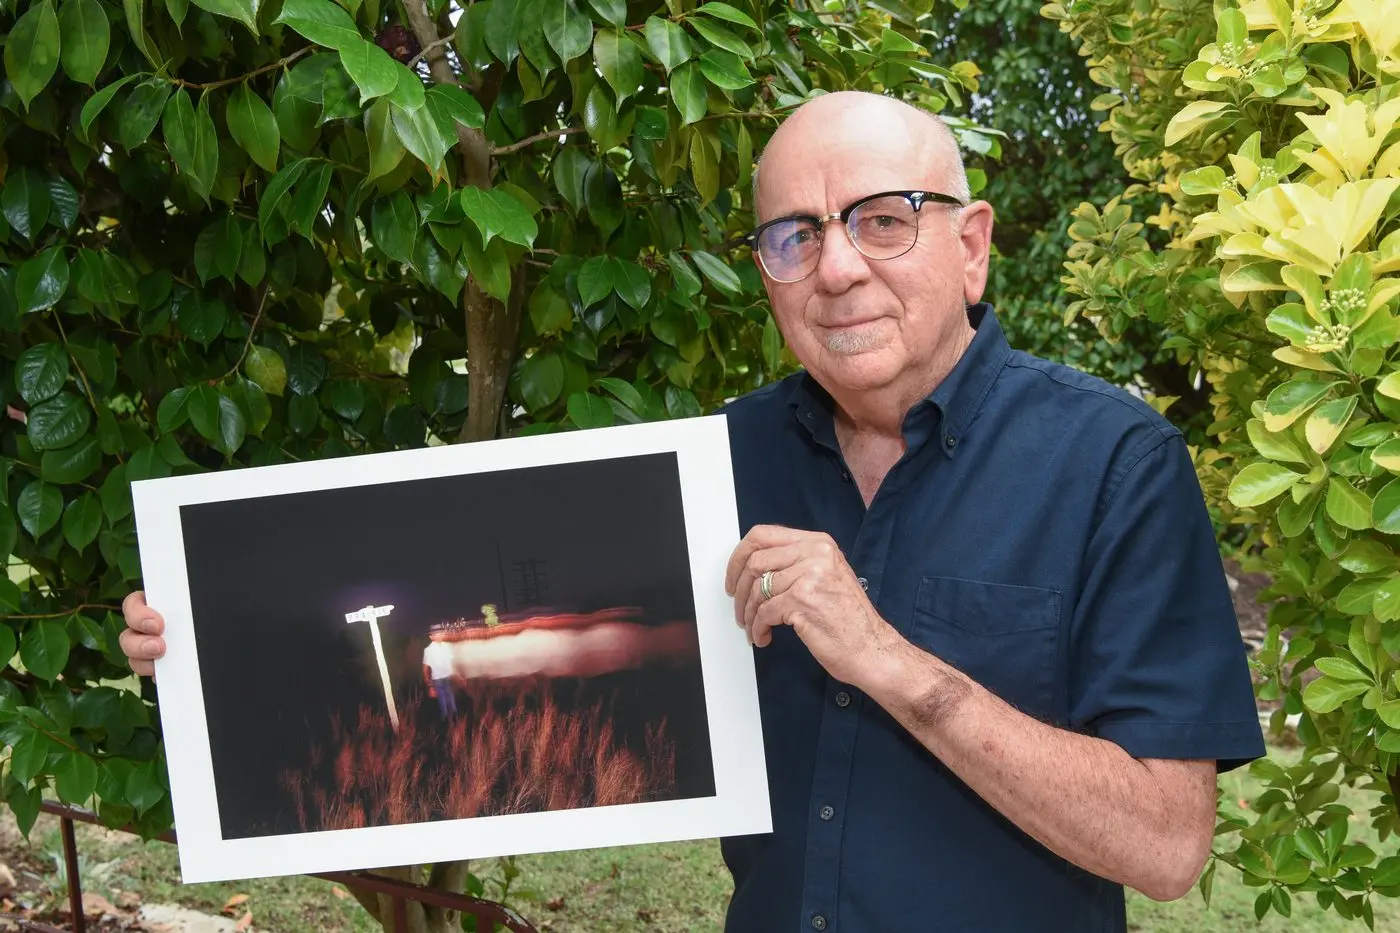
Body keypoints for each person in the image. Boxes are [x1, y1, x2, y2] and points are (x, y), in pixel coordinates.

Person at [119, 90, 1264, 931]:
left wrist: (892, 662)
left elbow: (1162, 845)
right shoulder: (713, 466)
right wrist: (221, 650)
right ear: (764, 271)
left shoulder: (1113, 462)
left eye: (881, 219)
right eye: (793, 236)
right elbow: (479, 655)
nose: (836, 270)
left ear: (970, 248)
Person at [421, 636, 457, 720]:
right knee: (443, 706)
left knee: (452, 704)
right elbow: (425, 669)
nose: (440, 635)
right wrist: (430, 687)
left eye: (440, 633)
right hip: (438, 681)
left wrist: (456, 676)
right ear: (431, 636)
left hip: (448, 679)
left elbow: (451, 663)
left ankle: (456, 725)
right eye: (437, 634)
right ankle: (446, 725)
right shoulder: (429, 650)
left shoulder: (447, 646)